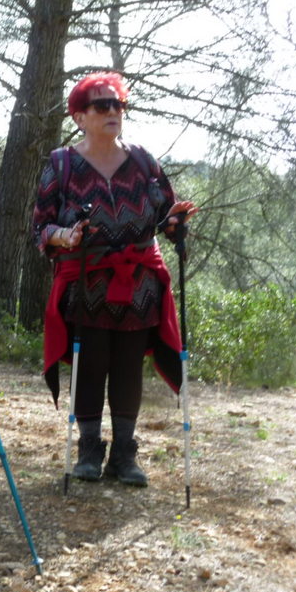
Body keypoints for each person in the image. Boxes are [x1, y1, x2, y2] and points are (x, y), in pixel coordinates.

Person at [34, 71, 197, 487]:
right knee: (90, 363)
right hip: (86, 279)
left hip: (139, 282)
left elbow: (165, 216)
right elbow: (41, 228)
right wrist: (65, 236)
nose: (112, 112)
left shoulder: (143, 161)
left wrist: (176, 223)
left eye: (117, 105)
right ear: (80, 116)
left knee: (128, 365)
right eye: (101, 105)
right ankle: (90, 449)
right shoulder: (62, 164)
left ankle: (125, 454)